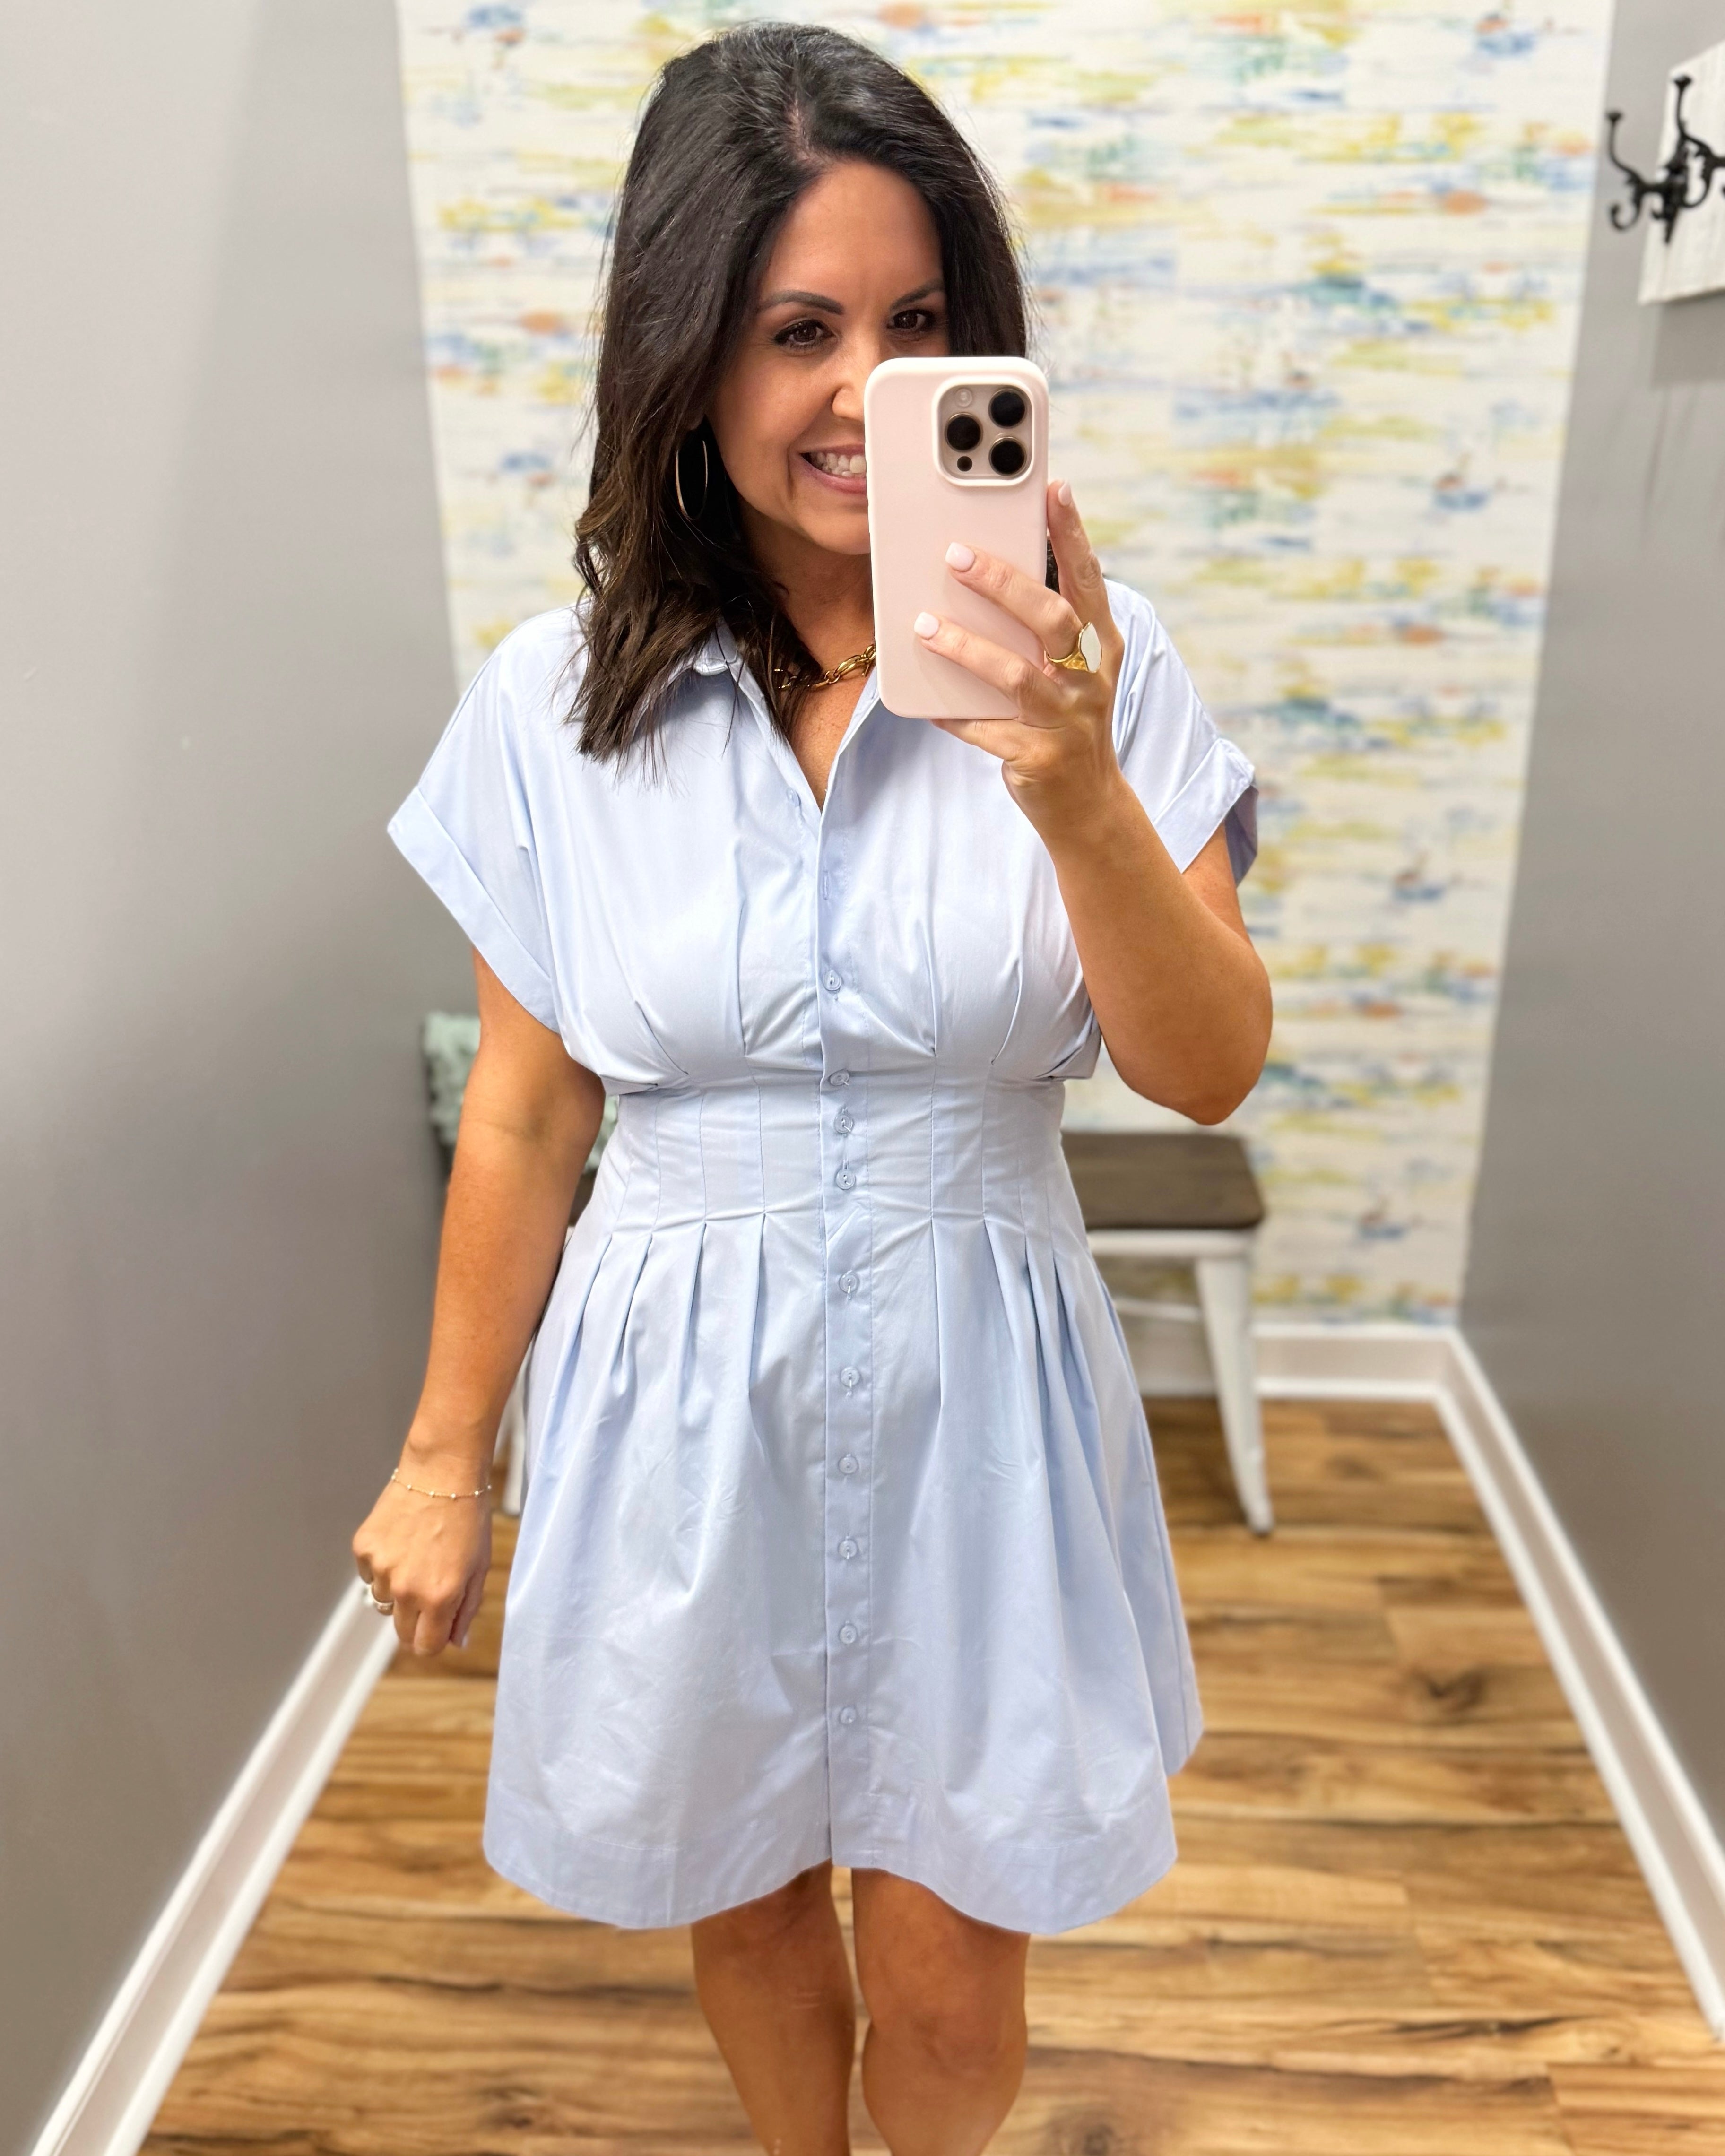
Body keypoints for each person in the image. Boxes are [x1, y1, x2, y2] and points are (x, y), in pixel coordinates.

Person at [353, 22, 1271, 2155]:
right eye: (801, 330)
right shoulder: (552, 708)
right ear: (689, 355)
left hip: (985, 1381)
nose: (866, 391)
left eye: (921, 327)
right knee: (746, 1895)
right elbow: (524, 1113)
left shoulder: (1102, 676)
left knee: (955, 1955)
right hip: (677, 1380)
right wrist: (436, 1456)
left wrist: (1069, 779)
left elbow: (1205, 1067)